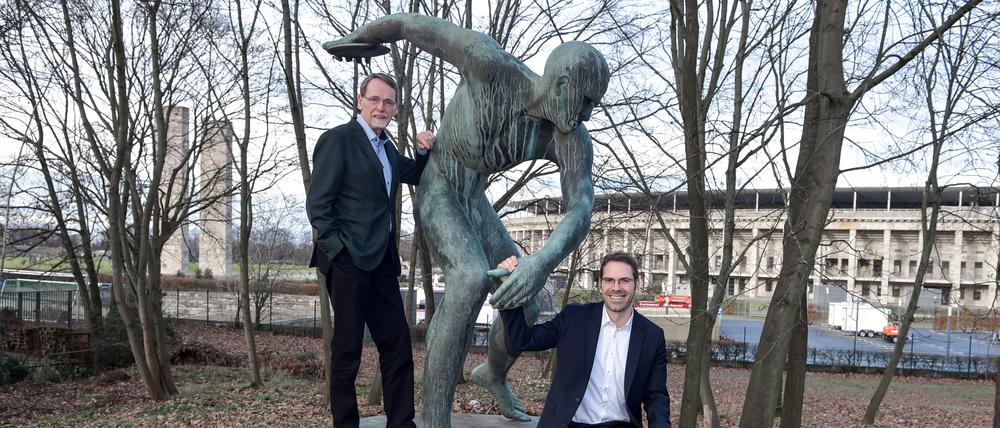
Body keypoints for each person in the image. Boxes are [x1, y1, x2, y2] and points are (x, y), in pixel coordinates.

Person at [324, 14, 610, 426]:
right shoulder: (487, 63)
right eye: (585, 102)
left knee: (526, 298)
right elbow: (409, 25)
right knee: (471, 277)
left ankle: (492, 373)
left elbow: (581, 205)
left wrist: (539, 263)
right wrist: (359, 39)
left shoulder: (568, 137)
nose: (587, 115)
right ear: (562, 85)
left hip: (473, 200)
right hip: (439, 189)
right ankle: (434, 417)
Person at [306, 72, 435, 428]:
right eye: (375, 99)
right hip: (347, 262)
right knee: (346, 352)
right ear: (360, 101)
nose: (381, 107)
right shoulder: (338, 140)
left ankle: (401, 423)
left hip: (381, 264)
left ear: (395, 108)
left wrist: (424, 151)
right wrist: (338, 252)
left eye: (389, 102)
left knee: (397, 345)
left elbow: (415, 173)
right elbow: (319, 205)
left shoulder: (387, 148)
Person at [495, 252, 671, 428]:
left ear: (637, 284)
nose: (616, 287)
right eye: (609, 280)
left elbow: (656, 396)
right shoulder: (574, 319)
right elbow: (520, 340)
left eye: (624, 280)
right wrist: (508, 287)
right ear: (600, 285)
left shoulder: (652, 336)